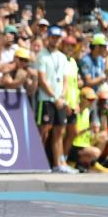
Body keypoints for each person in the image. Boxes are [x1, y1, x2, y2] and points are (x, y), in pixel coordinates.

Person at [35, 26, 74, 173]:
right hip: (46, 100)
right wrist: (54, 97)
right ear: (49, 38)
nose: (56, 40)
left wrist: (62, 97)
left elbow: (65, 80)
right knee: (44, 132)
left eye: (58, 38)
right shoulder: (42, 55)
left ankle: (59, 164)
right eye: (53, 37)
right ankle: (38, 162)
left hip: (59, 100)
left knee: (59, 132)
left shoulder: (62, 57)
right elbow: (42, 81)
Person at [67, 87, 108, 173]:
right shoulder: (75, 113)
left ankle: (91, 164)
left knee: (104, 136)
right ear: (82, 99)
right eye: (90, 99)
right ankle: (73, 162)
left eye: (94, 99)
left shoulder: (87, 112)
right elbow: (74, 134)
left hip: (84, 143)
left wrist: (104, 113)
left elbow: (102, 128)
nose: (92, 102)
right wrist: (89, 129)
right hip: (74, 146)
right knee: (95, 152)